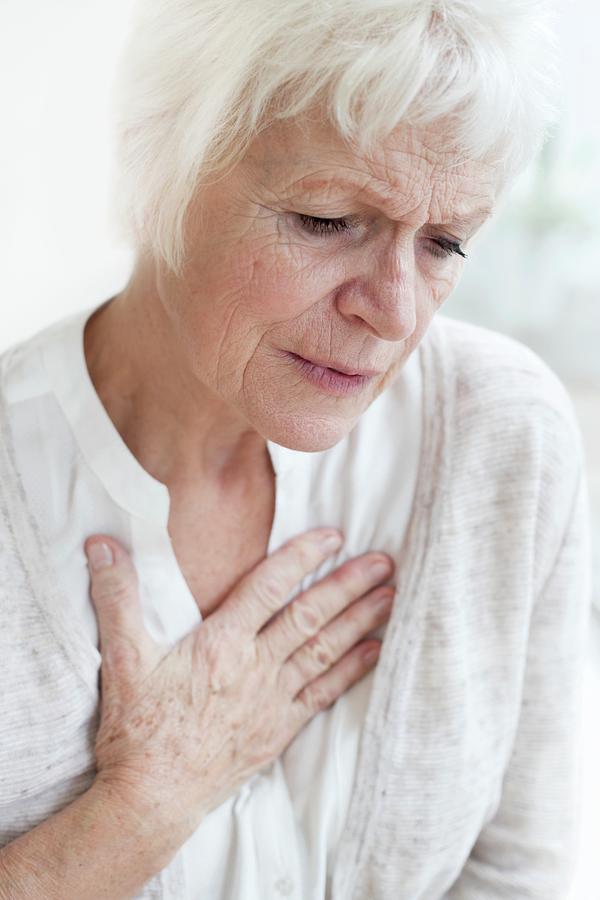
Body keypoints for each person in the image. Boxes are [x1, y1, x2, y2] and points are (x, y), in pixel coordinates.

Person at [0, 1, 592, 898]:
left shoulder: (501, 435)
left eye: (443, 243)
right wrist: (145, 807)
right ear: (162, 163)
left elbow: (522, 877)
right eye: (326, 220)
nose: (395, 313)